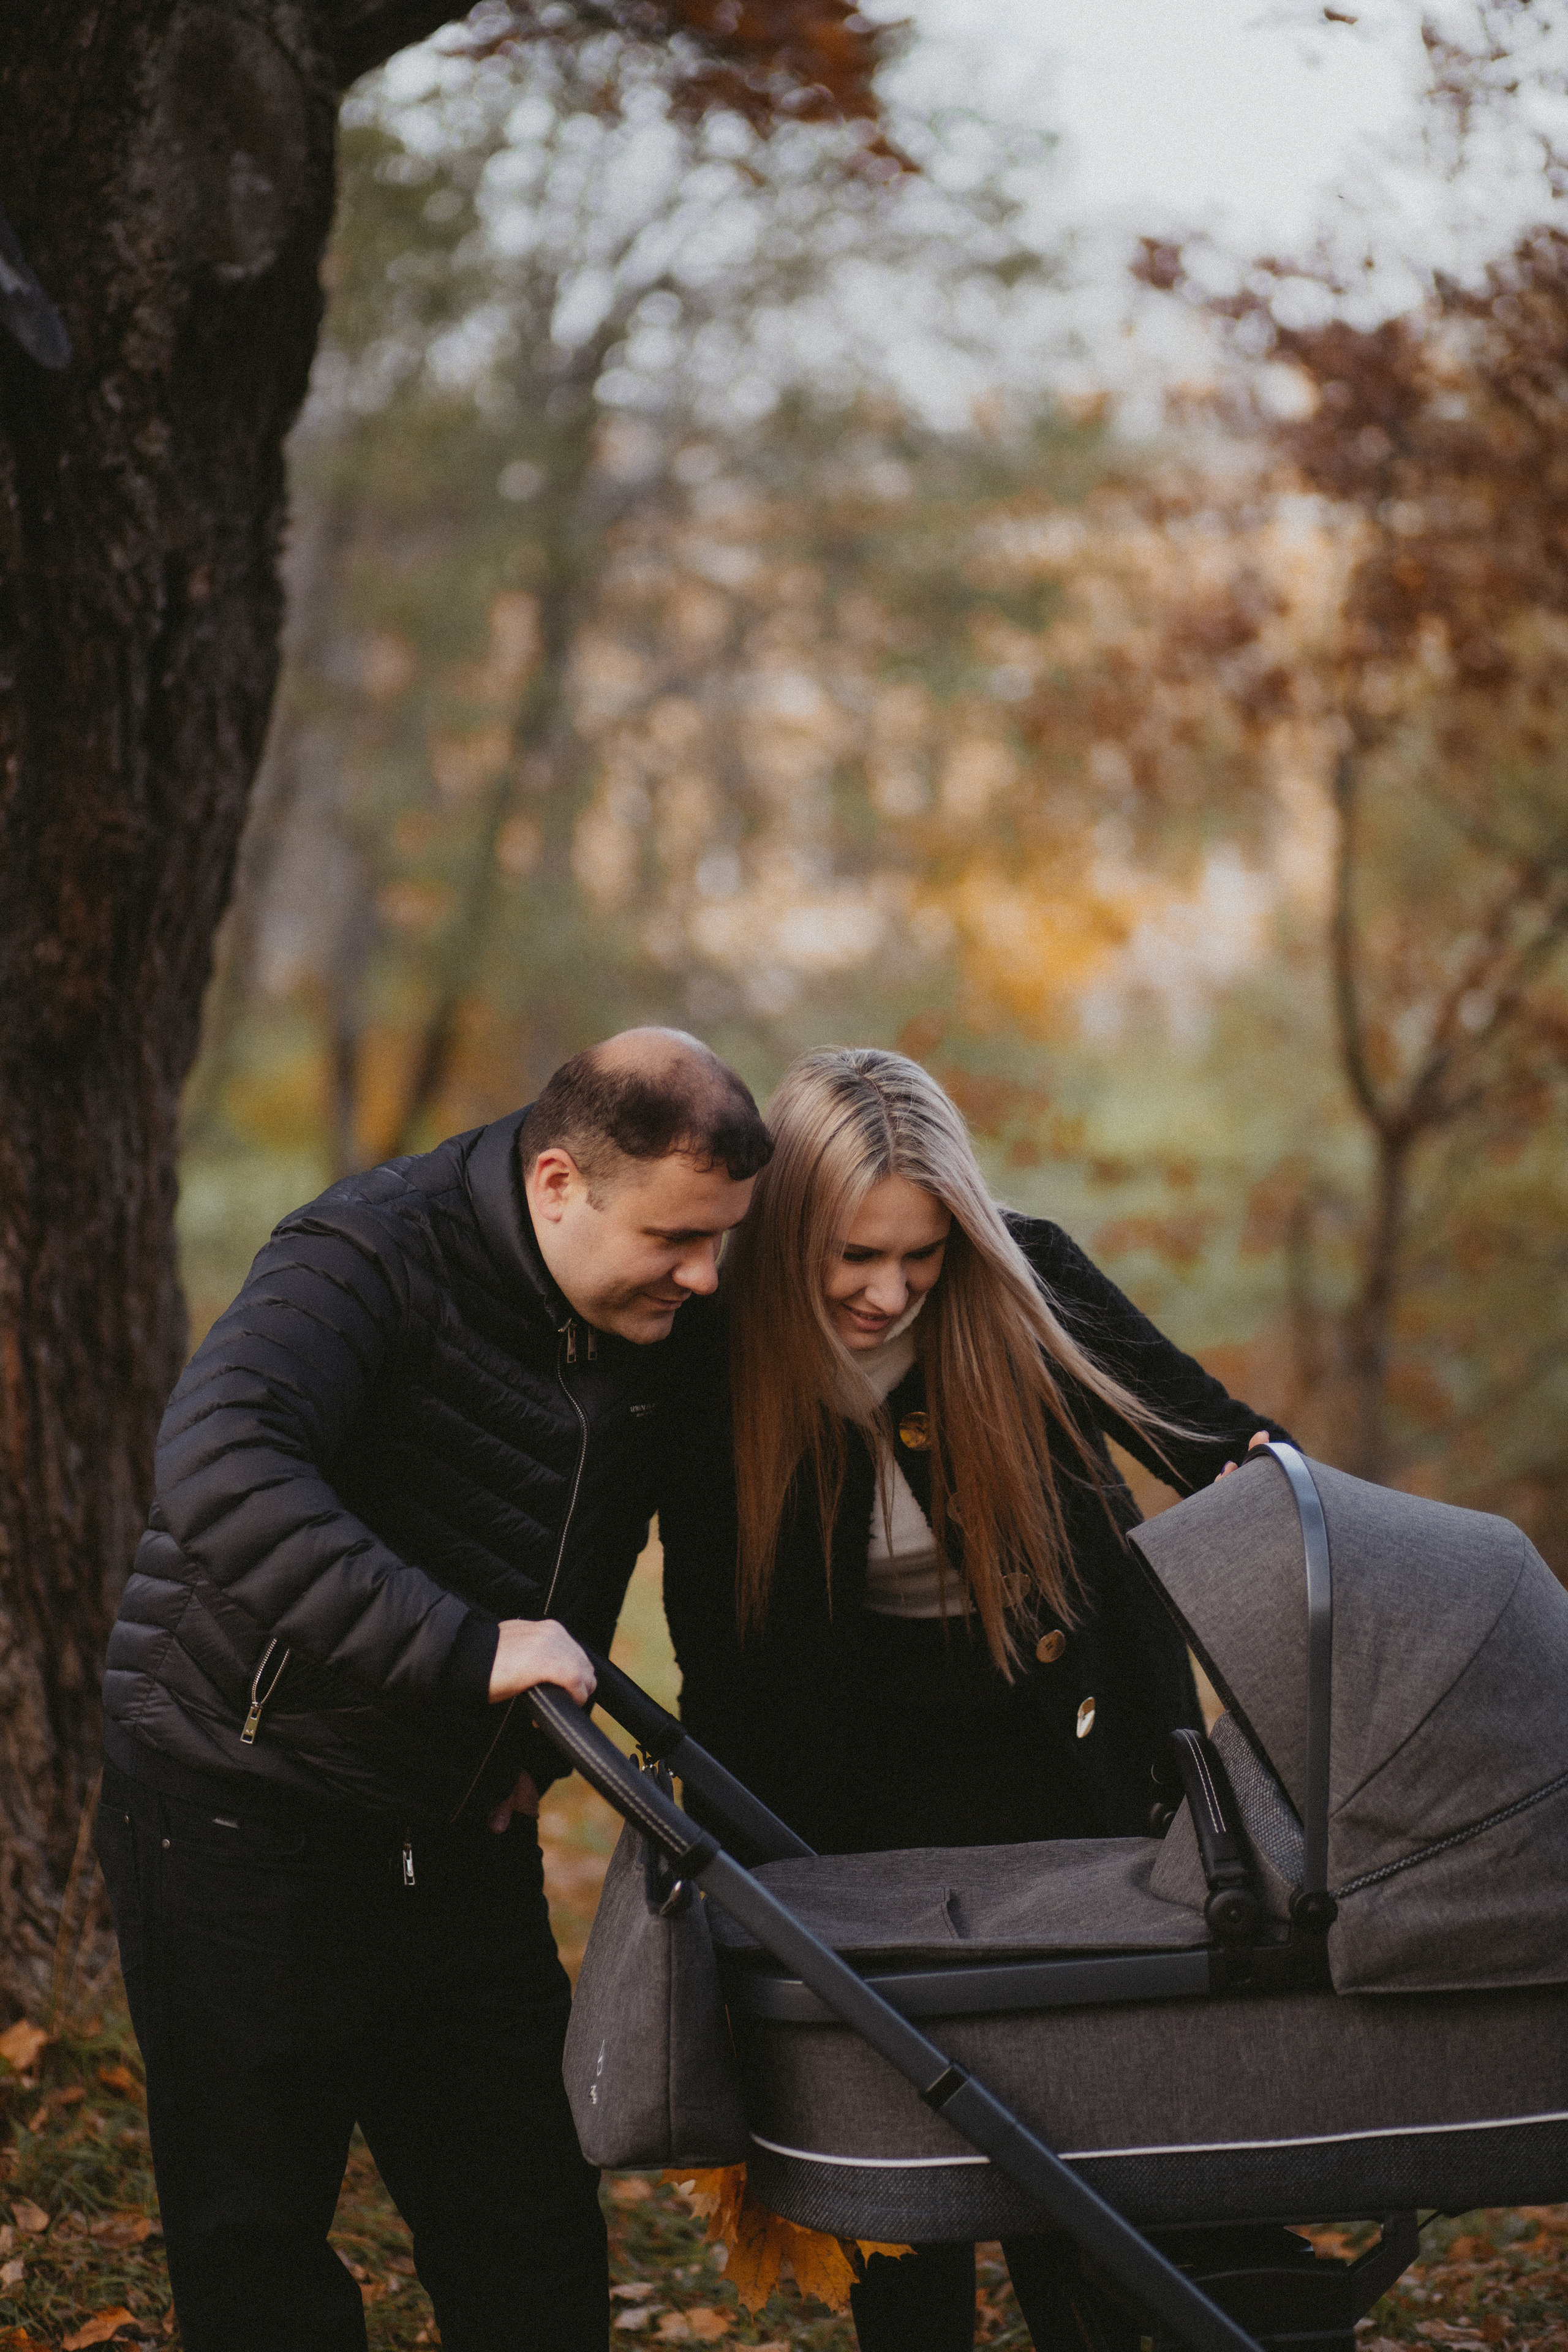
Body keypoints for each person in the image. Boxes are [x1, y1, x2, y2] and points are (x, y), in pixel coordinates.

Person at [97, 1028, 772, 2352]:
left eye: (722, 1239)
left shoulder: (660, 1322)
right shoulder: (362, 1253)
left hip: (457, 1832)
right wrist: (472, 1652)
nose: (703, 1274)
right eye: (674, 1238)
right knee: (258, 2253)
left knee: (529, 2240)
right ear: (560, 1181)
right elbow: (223, 1466)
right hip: (237, 1813)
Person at [658, 1047, 1288, 2352]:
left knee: (1083, 2162)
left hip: (1058, 1773)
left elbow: (1216, 1444)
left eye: (922, 1258)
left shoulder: (1027, 1276)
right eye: (852, 1259)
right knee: (907, 2180)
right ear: (782, 1238)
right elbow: (607, 1560)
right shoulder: (704, 1344)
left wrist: (1312, 1537)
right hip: (835, 1808)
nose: (890, 1294)